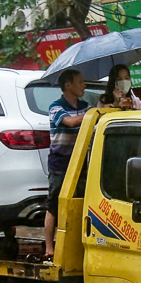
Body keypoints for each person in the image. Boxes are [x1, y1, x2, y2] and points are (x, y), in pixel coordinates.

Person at [42, 68, 92, 260]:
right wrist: (90, 115)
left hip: (81, 162)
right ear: (68, 85)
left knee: (81, 201)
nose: (84, 86)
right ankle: (49, 247)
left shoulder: (86, 106)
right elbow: (70, 122)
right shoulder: (55, 107)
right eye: (80, 82)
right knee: (54, 204)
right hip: (60, 162)